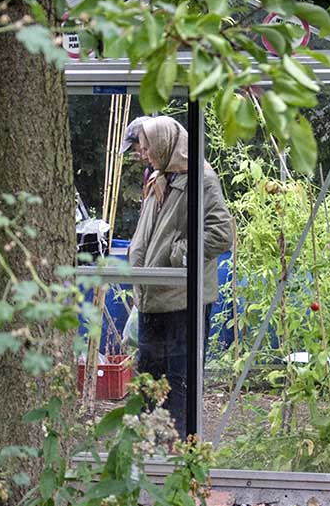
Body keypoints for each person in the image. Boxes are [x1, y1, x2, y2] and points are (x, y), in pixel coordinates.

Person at [128, 116, 233, 436]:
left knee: (178, 381)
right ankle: (152, 448)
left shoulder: (201, 179)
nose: (143, 154)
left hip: (182, 299)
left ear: (165, 144)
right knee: (148, 378)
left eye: (147, 148)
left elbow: (221, 233)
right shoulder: (162, 177)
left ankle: (177, 451)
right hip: (154, 296)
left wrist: (178, 256)